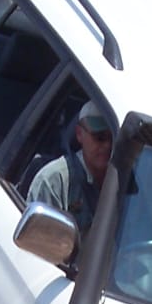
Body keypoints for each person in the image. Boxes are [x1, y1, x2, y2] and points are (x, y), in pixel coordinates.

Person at [26, 100, 112, 234]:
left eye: (112, 138)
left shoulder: (127, 184)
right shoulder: (54, 181)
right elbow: (37, 239)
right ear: (79, 134)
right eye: (100, 137)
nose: (107, 145)